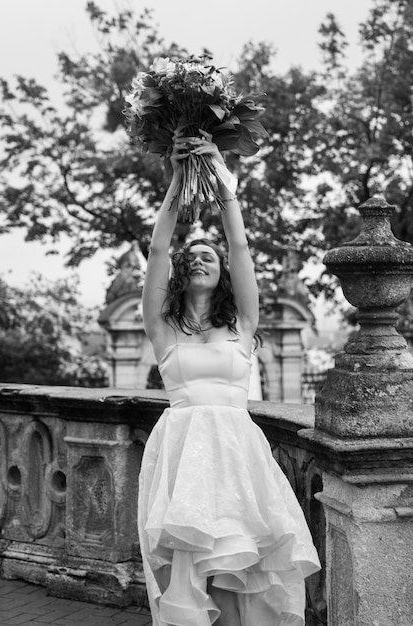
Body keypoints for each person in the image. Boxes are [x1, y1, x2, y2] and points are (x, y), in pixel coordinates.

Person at [138, 129, 321, 626]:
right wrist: (177, 183)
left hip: (238, 449)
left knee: (241, 566)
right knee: (195, 568)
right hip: (182, 449)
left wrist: (221, 181)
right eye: (192, 255)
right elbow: (157, 252)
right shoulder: (163, 329)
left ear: (221, 274)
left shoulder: (242, 327)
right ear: (181, 272)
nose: (200, 256)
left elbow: (239, 246)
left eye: (210, 257)